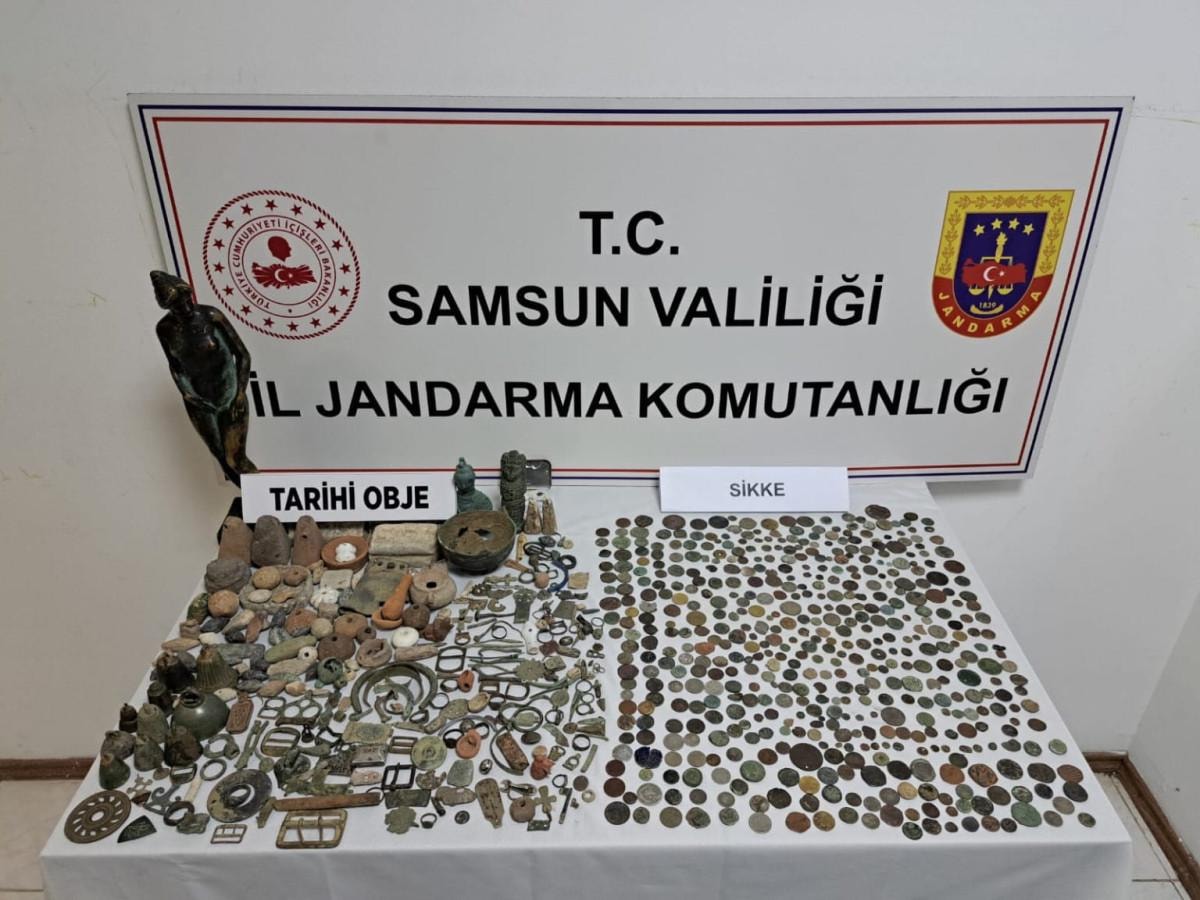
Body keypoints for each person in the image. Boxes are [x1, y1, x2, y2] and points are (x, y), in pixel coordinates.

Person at [152, 271, 257, 484]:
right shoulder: (165, 329)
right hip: (199, 402)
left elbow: (243, 355)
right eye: (177, 306)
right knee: (220, 456)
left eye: (186, 301)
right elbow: (176, 368)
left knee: (236, 458)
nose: (185, 308)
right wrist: (189, 395)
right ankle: (250, 500)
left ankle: (264, 497)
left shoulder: (211, 316)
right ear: (168, 308)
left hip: (229, 395)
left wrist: (239, 393)